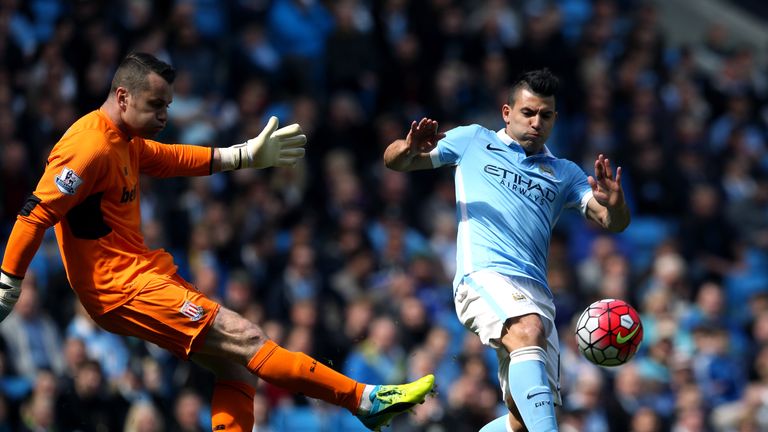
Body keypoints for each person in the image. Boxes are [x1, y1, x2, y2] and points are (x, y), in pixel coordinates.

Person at [0, 52, 434, 432]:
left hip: (141, 275)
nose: (164, 117)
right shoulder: (88, 147)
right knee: (247, 337)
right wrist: (9, 281)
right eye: (156, 105)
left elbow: (168, 158)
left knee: (237, 368)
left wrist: (242, 154)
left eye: (168, 106)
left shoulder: (124, 140)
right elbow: (34, 214)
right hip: (120, 288)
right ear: (123, 97)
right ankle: (364, 400)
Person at [383, 68, 630, 432]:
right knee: (527, 330)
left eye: (545, 116)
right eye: (528, 113)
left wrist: (617, 203)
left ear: (554, 120)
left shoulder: (565, 173)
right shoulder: (472, 140)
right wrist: (407, 148)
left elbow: (613, 222)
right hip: (482, 276)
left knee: (521, 419)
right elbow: (394, 161)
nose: (536, 122)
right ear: (506, 112)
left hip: (535, 293)